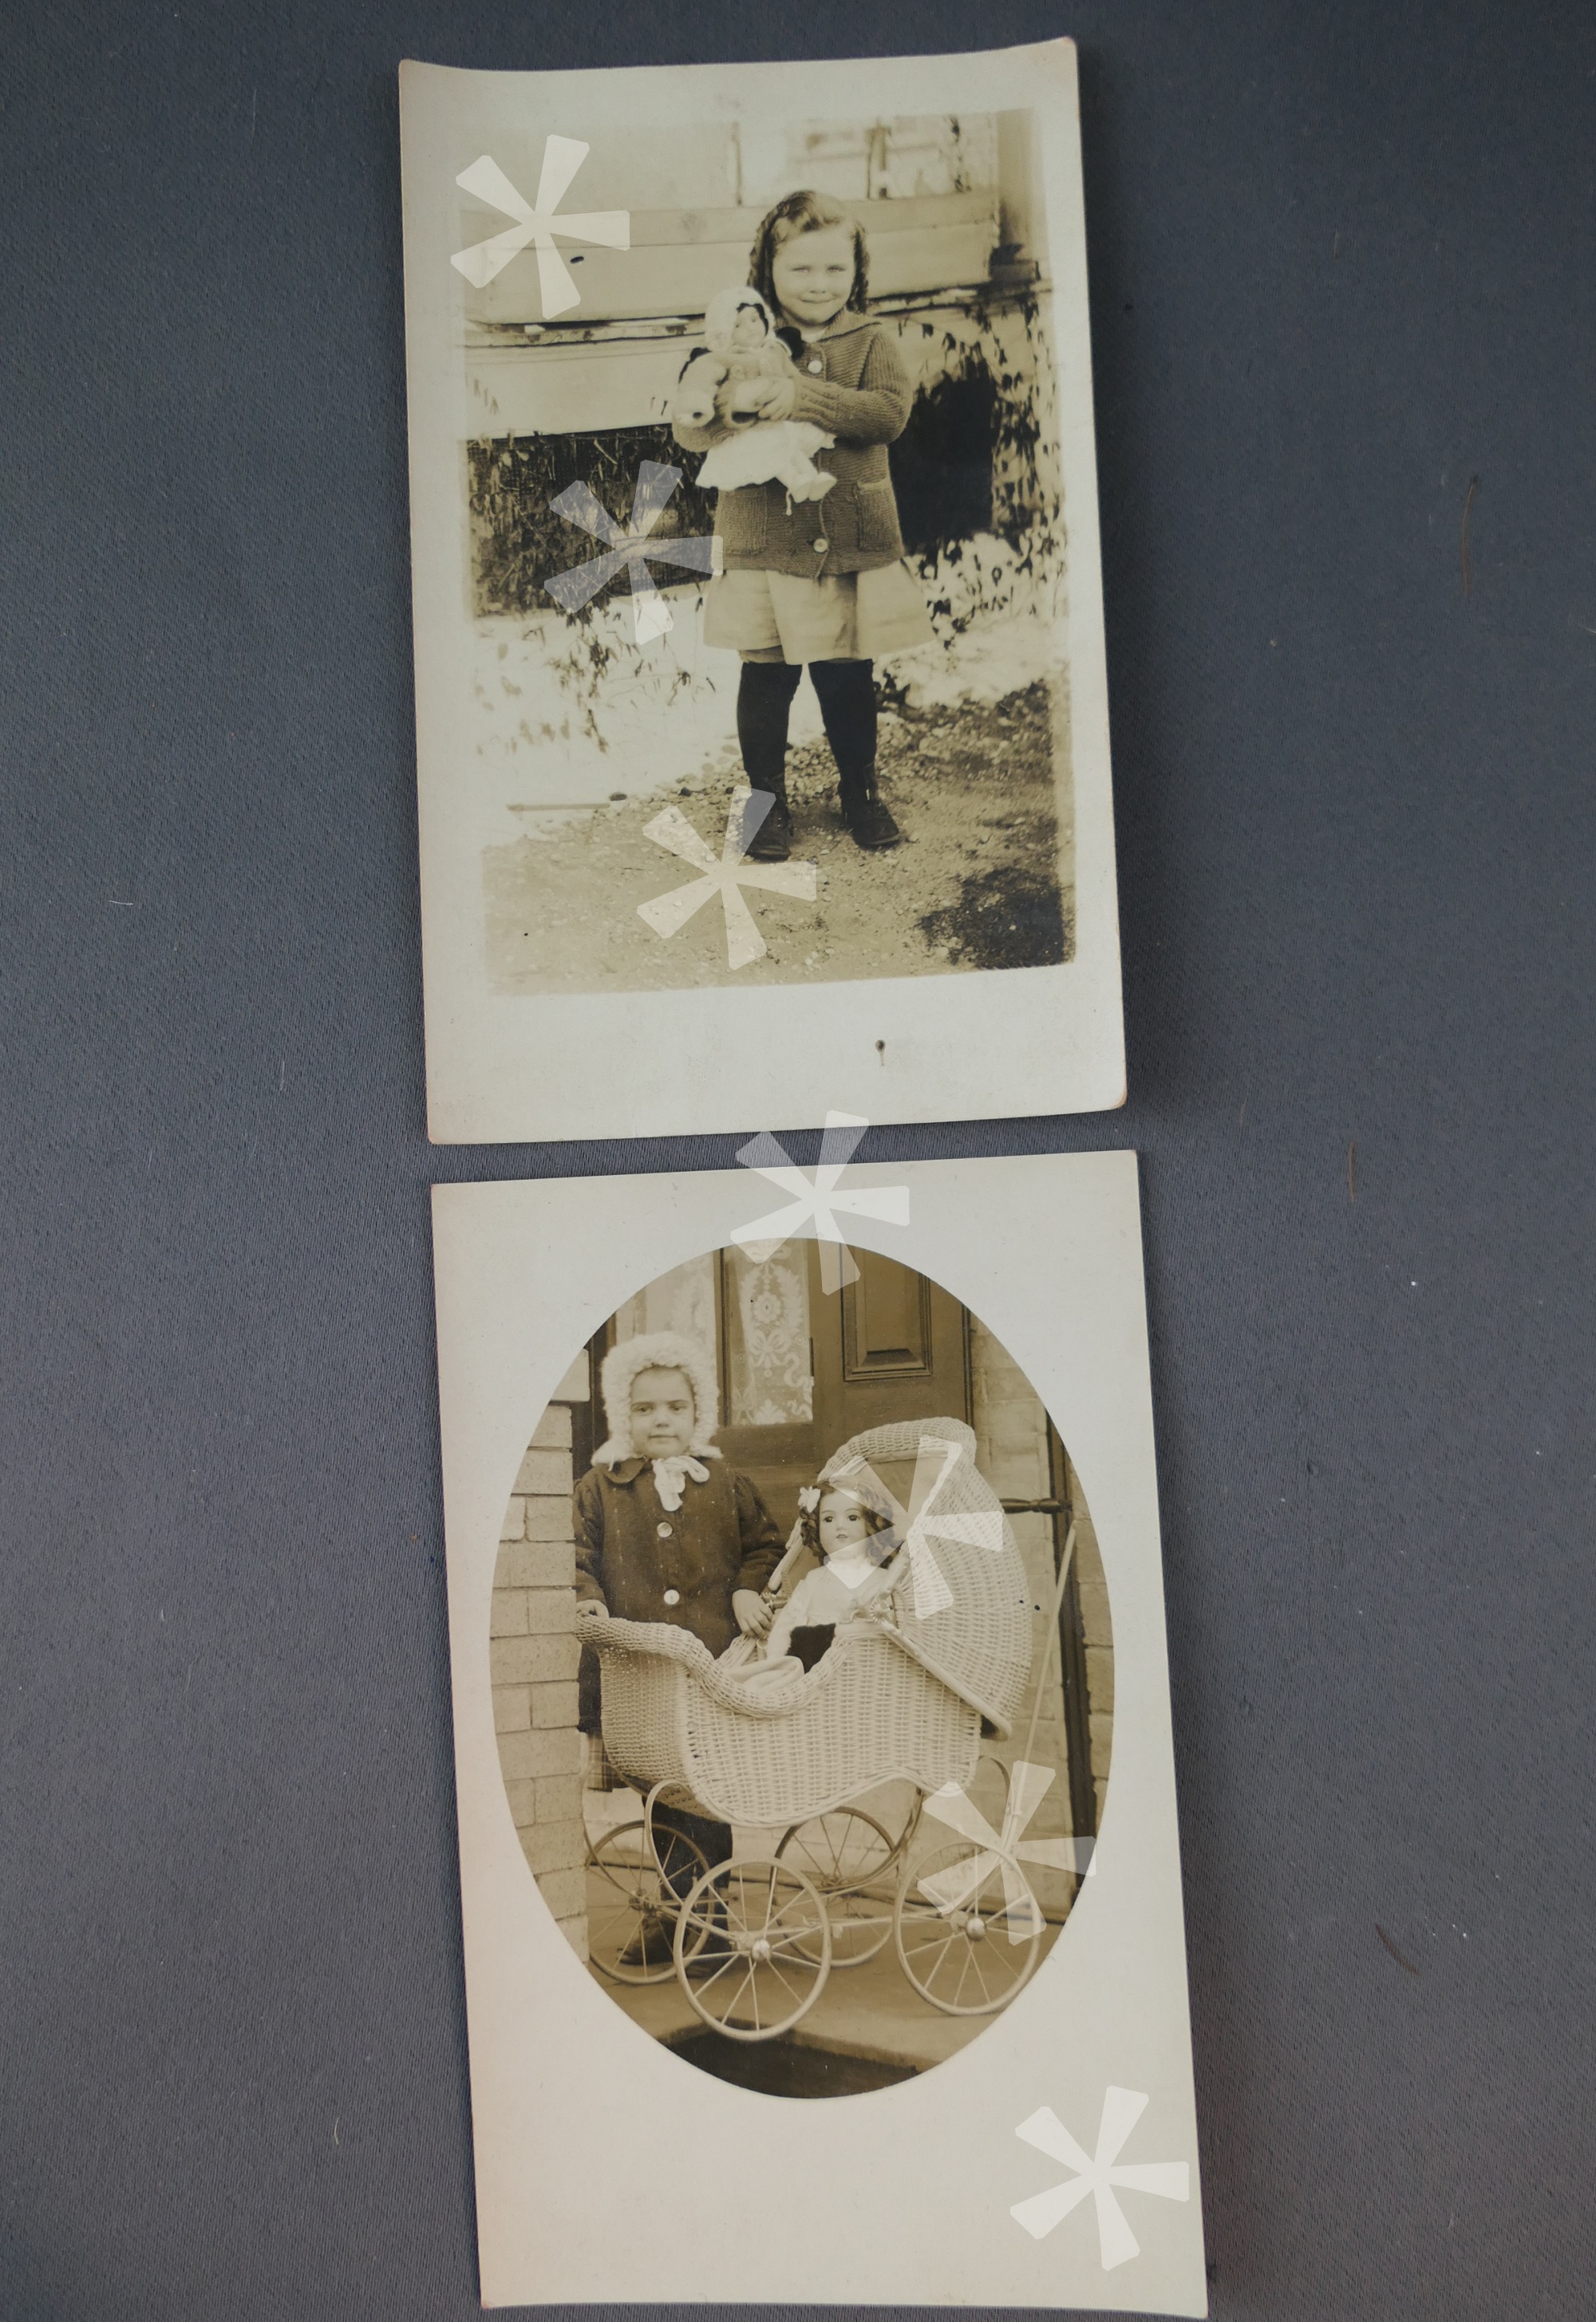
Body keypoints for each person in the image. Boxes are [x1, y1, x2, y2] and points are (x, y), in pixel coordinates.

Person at [670, 189, 934, 861]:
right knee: (765, 677)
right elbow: (691, 430)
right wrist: (733, 408)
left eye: (834, 270)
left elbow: (888, 415)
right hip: (763, 546)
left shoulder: (871, 341)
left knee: (846, 674)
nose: (819, 286)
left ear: (856, 271)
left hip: (845, 542)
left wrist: (802, 395)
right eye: (800, 271)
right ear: (767, 271)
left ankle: (860, 791)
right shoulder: (736, 340)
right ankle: (764, 802)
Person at [572, 1330, 781, 1966]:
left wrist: (749, 1590)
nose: (660, 1419)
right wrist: (588, 1595)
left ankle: (711, 1918)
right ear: (621, 1414)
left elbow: (765, 1546)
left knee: (708, 1789)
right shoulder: (600, 1487)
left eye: (675, 1407)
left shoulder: (725, 1481)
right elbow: (575, 1553)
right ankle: (674, 1910)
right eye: (644, 1408)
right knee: (658, 1791)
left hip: (710, 1665)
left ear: (698, 1413)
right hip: (638, 1670)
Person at [721, 1474, 899, 1698]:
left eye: (852, 1518)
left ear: (871, 1524)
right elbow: (786, 1624)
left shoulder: (883, 1581)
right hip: (806, 1674)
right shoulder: (813, 1581)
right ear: (817, 1527)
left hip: (859, 1675)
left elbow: (888, 1636)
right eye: (828, 1519)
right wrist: (777, 1662)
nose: (839, 1526)